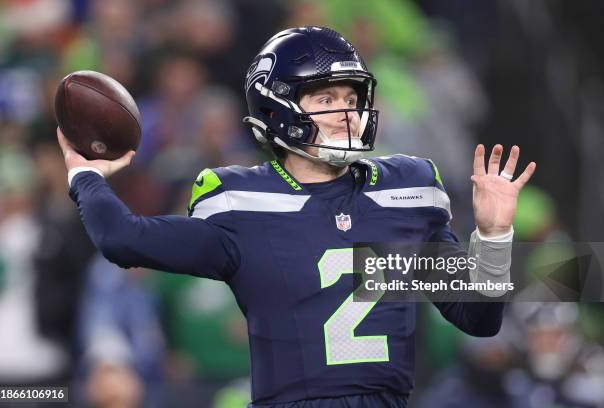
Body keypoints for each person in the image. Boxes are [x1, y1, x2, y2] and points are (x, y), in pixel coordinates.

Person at [57, 27, 536, 407]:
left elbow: (479, 316)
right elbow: (122, 239)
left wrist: (494, 236)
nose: (346, 114)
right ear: (277, 108)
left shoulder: (405, 192)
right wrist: (86, 175)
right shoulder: (240, 203)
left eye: (351, 99)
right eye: (326, 100)